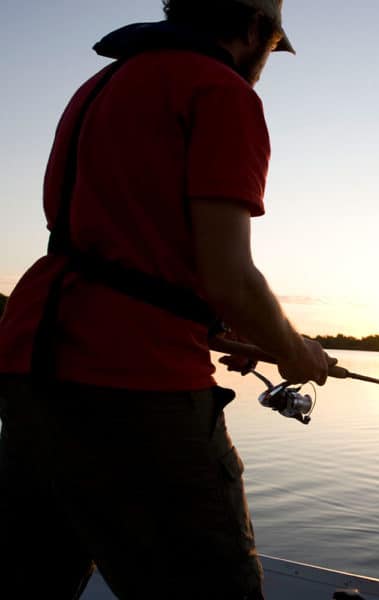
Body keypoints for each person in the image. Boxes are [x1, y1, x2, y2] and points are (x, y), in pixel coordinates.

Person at [0, 0, 333, 597]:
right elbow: (229, 276)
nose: (264, 67)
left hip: (29, 372)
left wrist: (214, 330)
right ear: (257, 29)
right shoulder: (222, 92)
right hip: (136, 386)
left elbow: (118, 249)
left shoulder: (99, 85)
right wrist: (294, 352)